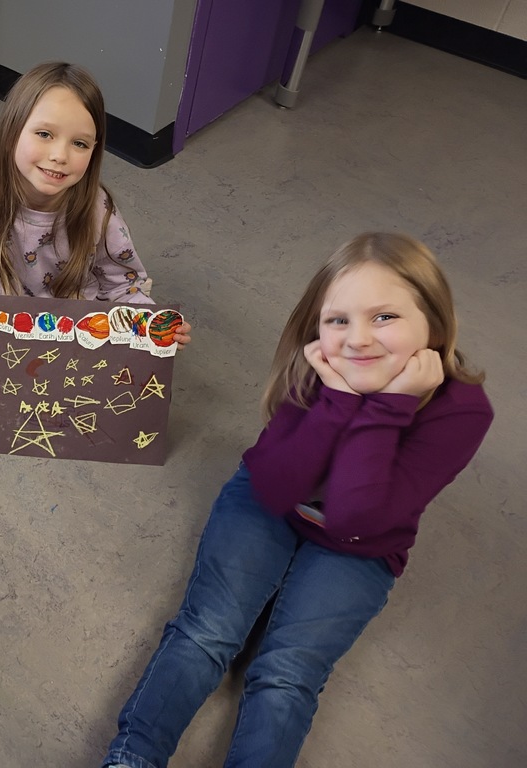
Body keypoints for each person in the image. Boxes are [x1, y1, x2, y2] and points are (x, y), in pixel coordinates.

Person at [101, 232, 493, 768]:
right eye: (338, 320)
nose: (358, 339)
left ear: (435, 324)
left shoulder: (462, 409)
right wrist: (338, 401)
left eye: (385, 317)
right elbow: (279, 487)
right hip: (272, 500)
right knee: (206, 631)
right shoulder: (318, 367)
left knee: (287, 673)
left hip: (364, 541)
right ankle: (132, 757)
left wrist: (388, 406)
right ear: (317, 326)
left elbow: (356, 518)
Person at [0, 61, 191, 348]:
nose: (60, 155)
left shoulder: (97, 211)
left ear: (94, 150)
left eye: (80, 143)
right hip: (1, 336)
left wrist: (156, 327)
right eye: (44, 134)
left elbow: (124, 285)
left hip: (79, 338)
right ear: (11, 132)